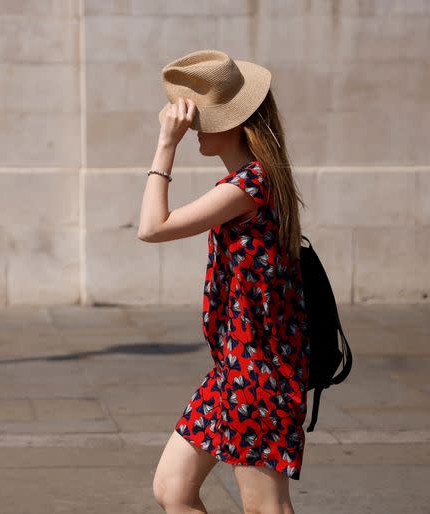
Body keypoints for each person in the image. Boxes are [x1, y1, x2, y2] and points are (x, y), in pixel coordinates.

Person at [137, 50, 310, 514]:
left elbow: (152, 227)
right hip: (232, 370)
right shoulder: (250, 181)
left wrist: (165, 146)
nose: (193, 127)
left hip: (261, 371)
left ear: (232, 124)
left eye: (203, 119)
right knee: (173, 490)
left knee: (264, 508)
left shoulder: (250, 186)